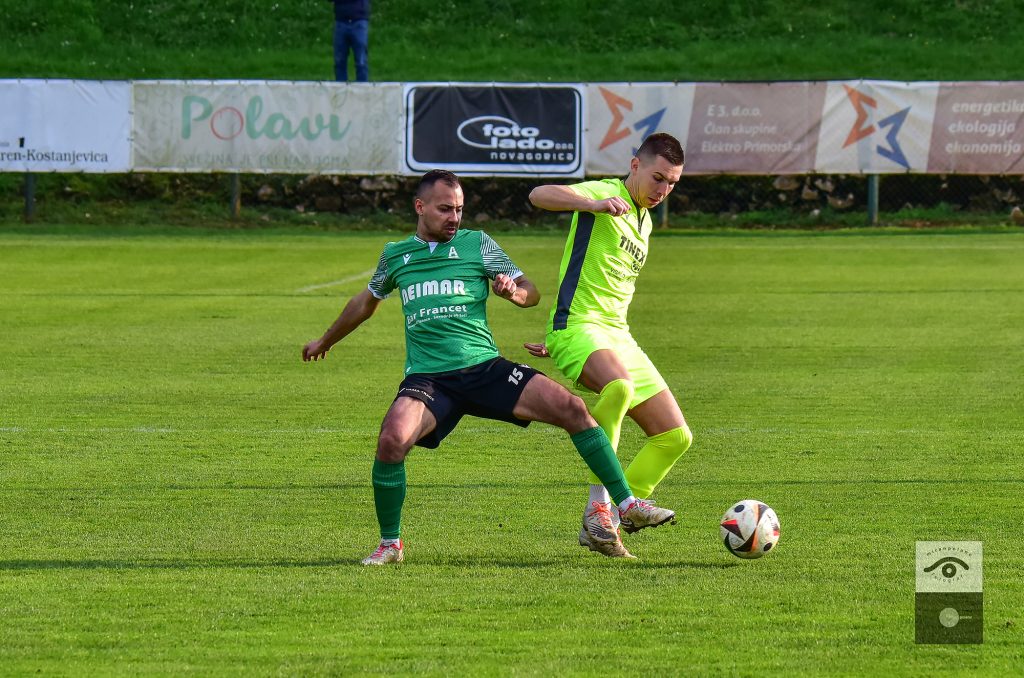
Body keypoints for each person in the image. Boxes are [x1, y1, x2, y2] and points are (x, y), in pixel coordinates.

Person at [302, 169, 676, 565]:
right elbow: (365, 302)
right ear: (420, 207)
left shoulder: (478, 244)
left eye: (459, 209)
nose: (454, 217)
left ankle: (625, 504)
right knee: (392, 440)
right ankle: (390, 545)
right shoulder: (396, 255)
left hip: (484, 369)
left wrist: (512, 292)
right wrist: (325, 341)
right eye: (445, 209)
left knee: (573, 409)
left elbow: (531, 293)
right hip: (430, 379)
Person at [525, 133, 692, 559]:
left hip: (617, 335)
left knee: (675, 436)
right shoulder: (605, 191)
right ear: (635, 165)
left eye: (672, 183)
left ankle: (613, 522)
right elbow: (538, 195)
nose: (663, 190)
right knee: (619, 387)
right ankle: (601, 506)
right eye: (658, 178)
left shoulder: (645, 220)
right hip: (579, 326)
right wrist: (593, 204)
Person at [328, 0, 370, 82]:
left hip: (359, 20)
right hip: (341, 21)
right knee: (339, 61)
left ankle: (363, 87)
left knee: (361, 61)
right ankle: (340, 87)